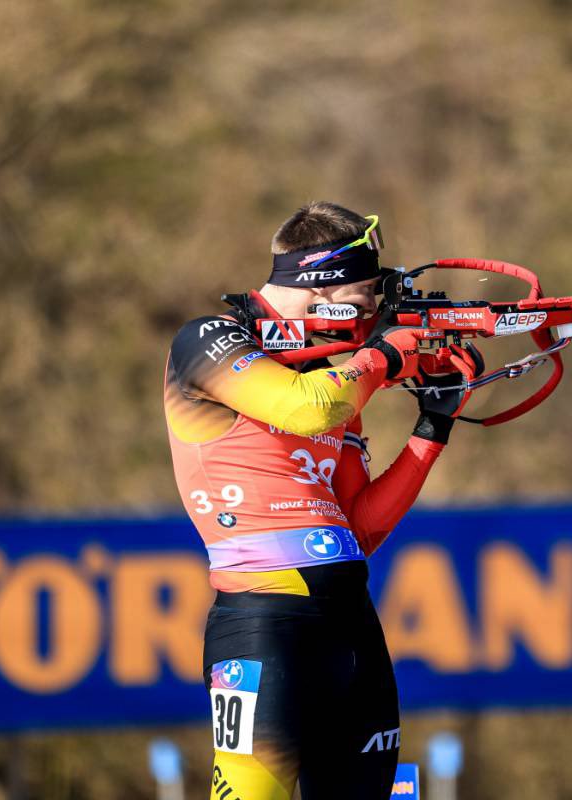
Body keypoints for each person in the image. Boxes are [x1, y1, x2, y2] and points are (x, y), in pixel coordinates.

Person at [163, 201, 478, 800]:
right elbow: (306, 407)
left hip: (350, 621)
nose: (365, 324)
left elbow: (359, 527)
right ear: (318, 287)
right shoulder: (206, 341)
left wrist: (432, 427)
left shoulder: (333, 374)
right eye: (361, 304)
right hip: (263, 623)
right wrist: (386, 354)